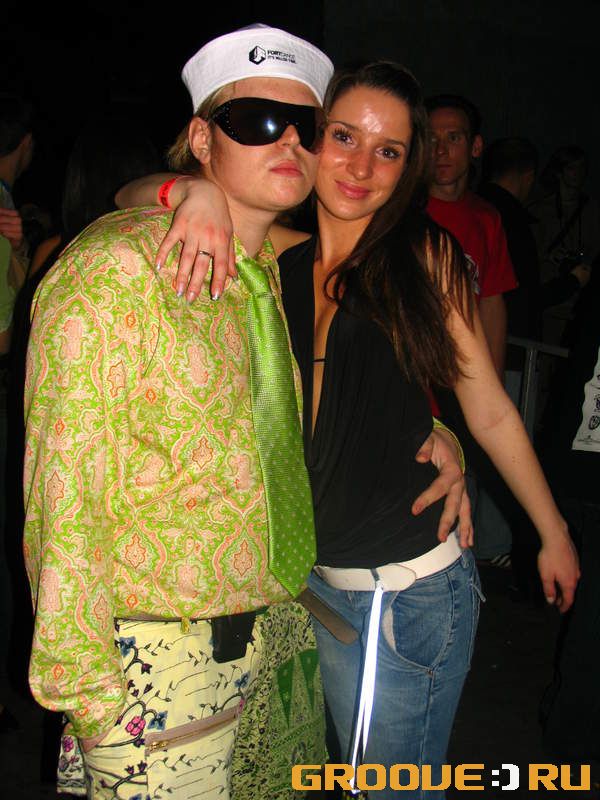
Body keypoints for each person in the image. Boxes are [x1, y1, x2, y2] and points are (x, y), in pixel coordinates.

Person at [117, 61, 579, 798]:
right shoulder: (280, 253)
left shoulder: (421, 256)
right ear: (312, 139)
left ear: (408, 166)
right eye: (344, 137)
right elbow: (126, 196)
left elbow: (488, 405)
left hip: (402, 593)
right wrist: (192, 191)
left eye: (388, 150)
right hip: (326, 588)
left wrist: (551, 532)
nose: (362, 167)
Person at [24, 25, 338, 800]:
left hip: (263, 639)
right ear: (201, 139)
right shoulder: (118, 269)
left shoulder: (259, 272)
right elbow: (61, 493)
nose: (289, 140)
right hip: (152, 666)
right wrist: (91, 697)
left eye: (307, 126)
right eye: (257, 120)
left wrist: (434, 433)